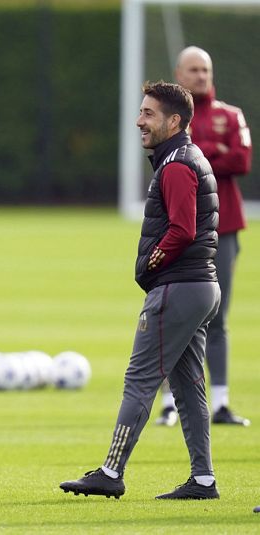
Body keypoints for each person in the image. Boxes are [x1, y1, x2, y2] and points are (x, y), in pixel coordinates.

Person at [60, 81, 220, 500]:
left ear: (174, 121)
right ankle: (203, 480)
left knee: (140, 380)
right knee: (188, 387)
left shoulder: (176, 165)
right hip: (200, 286)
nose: (139, 121)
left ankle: (111, 471)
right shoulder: (187, 157)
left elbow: (182, 230)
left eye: (149, 114)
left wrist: (150, 264)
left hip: (179, 288)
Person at [156, 46, 252, 427]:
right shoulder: (167, 118)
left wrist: (199, 150)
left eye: (205, 70)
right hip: (178, 228)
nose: (201, 76)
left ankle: (221, 403)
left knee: (218, 315)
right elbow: (167, 157)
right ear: (179, 74)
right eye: (193, 70)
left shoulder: (230, 115)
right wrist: (215, 151)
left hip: (223, 226)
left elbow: (242, 161)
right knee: (171, 314)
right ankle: (168, 404)